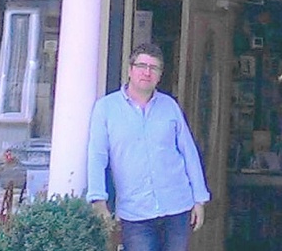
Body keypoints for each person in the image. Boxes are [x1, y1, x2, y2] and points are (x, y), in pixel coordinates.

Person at [86, 43, 210, 251]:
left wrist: (199, 199)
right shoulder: (106, 108)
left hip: (177, 208)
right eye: (142, 65)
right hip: (136, 214)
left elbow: (189, 153)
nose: (147, 72)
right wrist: (98, 199)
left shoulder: (170, 106)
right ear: (130, 70)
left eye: (154, 68)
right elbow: (97, 156)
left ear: (160, 75)